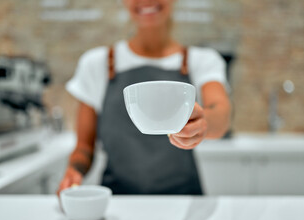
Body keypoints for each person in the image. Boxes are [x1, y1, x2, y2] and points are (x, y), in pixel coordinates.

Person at [57, 0, 231, 195]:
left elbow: (220, 115)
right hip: (118, 202)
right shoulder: (96, 64)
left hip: (184, 200)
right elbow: (84, 146)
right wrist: (75, 171)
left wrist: (203, 123)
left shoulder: (202, 61)